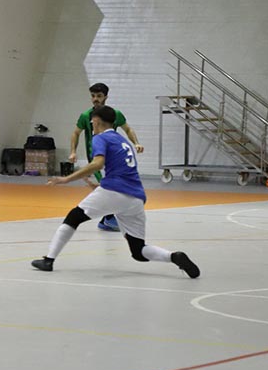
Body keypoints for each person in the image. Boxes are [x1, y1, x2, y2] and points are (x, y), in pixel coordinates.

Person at [33, 105, 199, 278]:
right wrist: (100, 187)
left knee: (73, 217)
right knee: (138, 250)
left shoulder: (100, 138)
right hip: (135, 198)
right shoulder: (123, 141)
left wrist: (66, 179)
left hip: (114, 191)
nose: (91, 123)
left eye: (92, 121)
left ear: (96, 121)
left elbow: (97, 164)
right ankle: (173, 256)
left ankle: (48, 260)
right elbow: (123, 171)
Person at [69, 83, 144, 232]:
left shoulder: (114, 114)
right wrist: (73, 151)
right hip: (98, 157)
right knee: (108, 186)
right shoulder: (86, 116)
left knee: (113, 186)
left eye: (99, 96)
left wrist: (136, 143)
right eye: (93, 96)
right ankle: (108, 219)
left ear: (106, 97)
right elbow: (76, 133)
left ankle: (109, 218)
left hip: (113, 157)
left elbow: (127, 128)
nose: (95, 99)